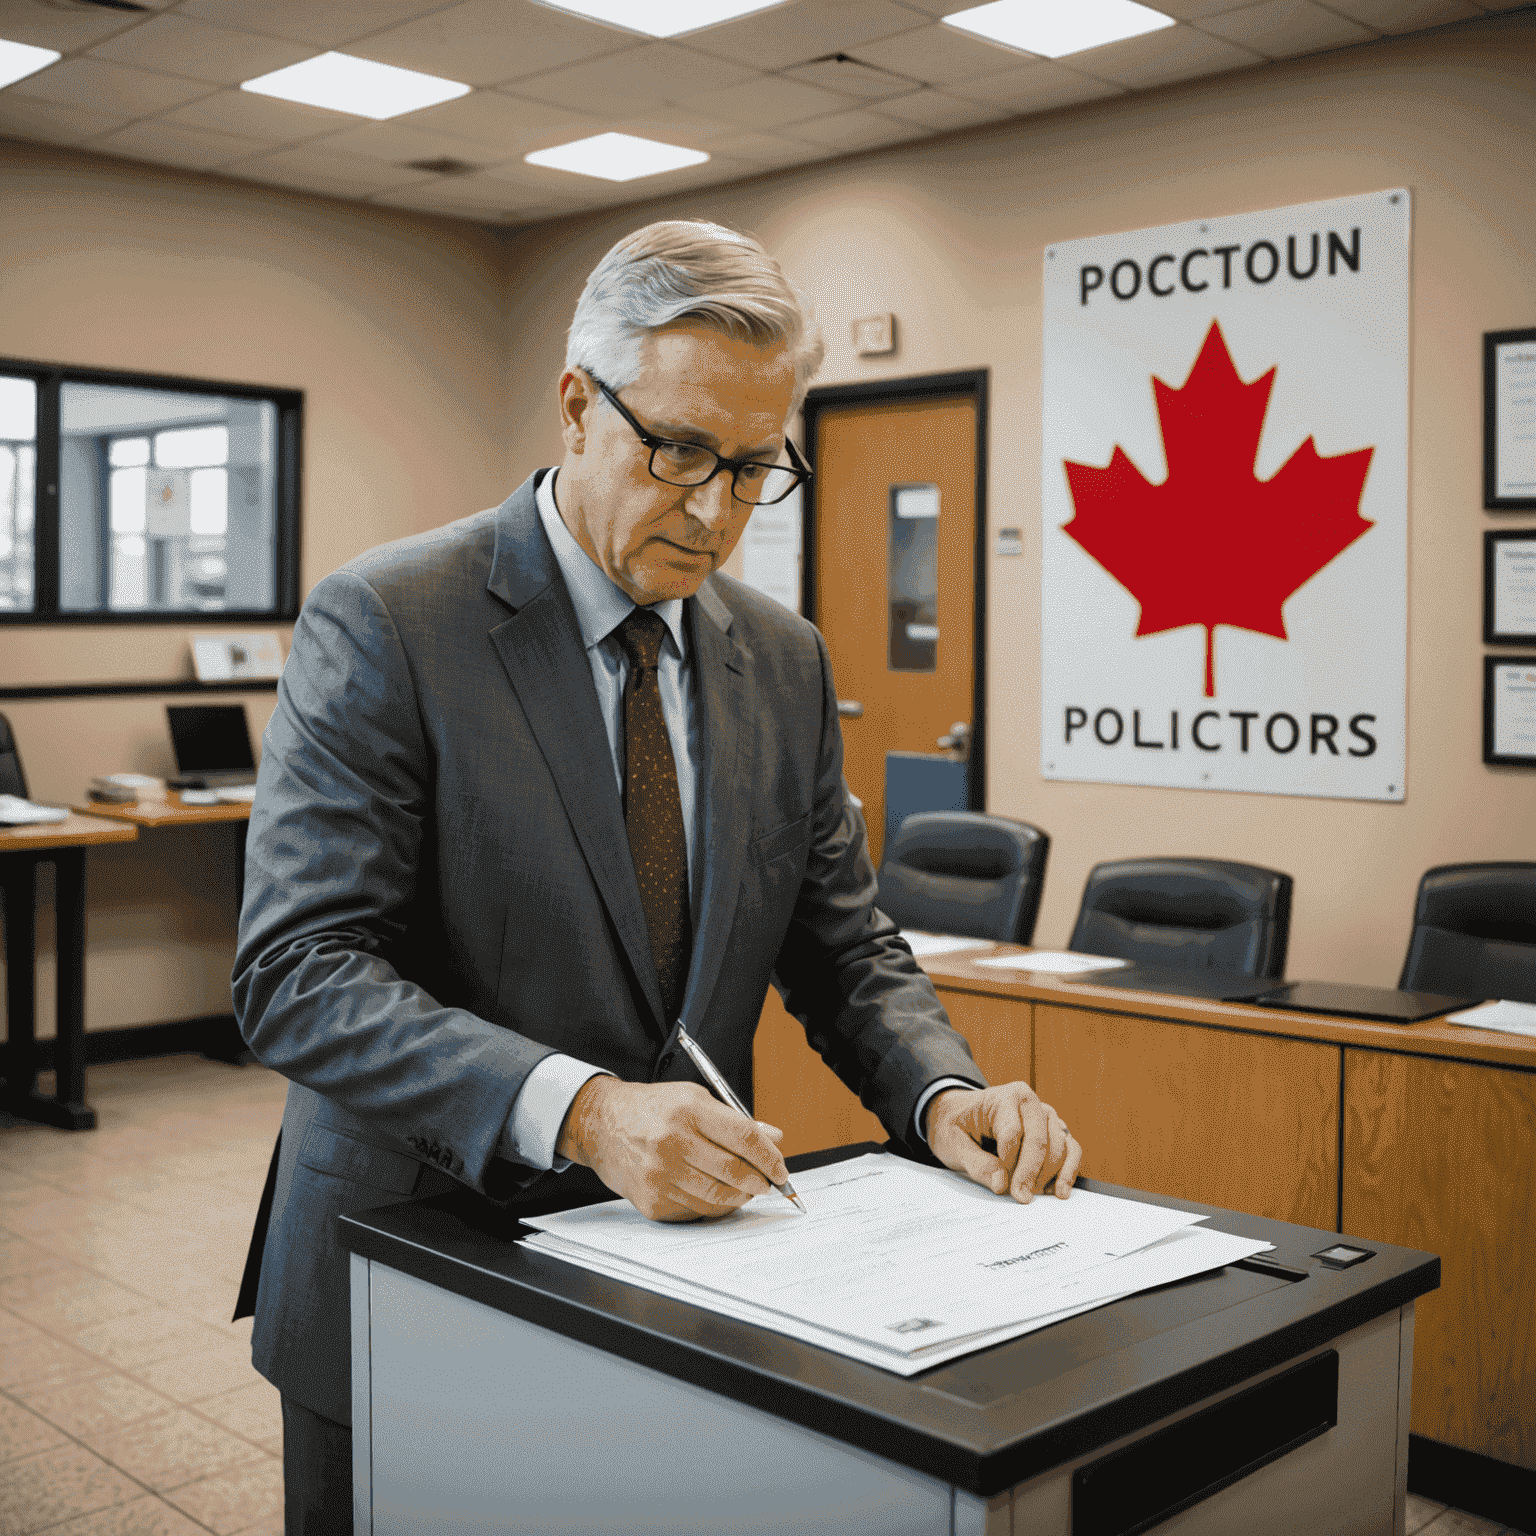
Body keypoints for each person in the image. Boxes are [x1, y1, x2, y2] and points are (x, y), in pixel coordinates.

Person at [231, 219, 1082, 1528]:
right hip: (413, 1262)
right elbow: (298, 974)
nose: (714, 511)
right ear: (577, 406)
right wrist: (584, 1111)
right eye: (677, 450)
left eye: (754, 469)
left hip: (673, 1277)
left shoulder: (782, 661)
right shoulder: (393, 619)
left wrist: (941, 1091)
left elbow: (845, 948)